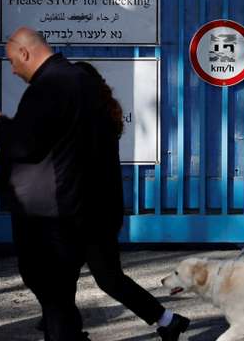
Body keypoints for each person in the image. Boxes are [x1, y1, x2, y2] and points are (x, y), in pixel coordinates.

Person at [0, 29, 187, 341]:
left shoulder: (49, 87)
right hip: (95, 207)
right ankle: (165, 320)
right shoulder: (88, 91)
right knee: (92, 281)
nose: (11, 68)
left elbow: (24, 145)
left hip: (61, 213)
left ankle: (66, 331)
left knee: (53, 287)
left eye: (12, 61)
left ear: (25, 53)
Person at [75, 61, 190, 340]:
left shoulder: (89, 120)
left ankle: (168, 319)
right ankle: (63, 330)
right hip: (92, 212)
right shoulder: (97, 115)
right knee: (62, 277)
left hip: (91, 214)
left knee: (106, 278)